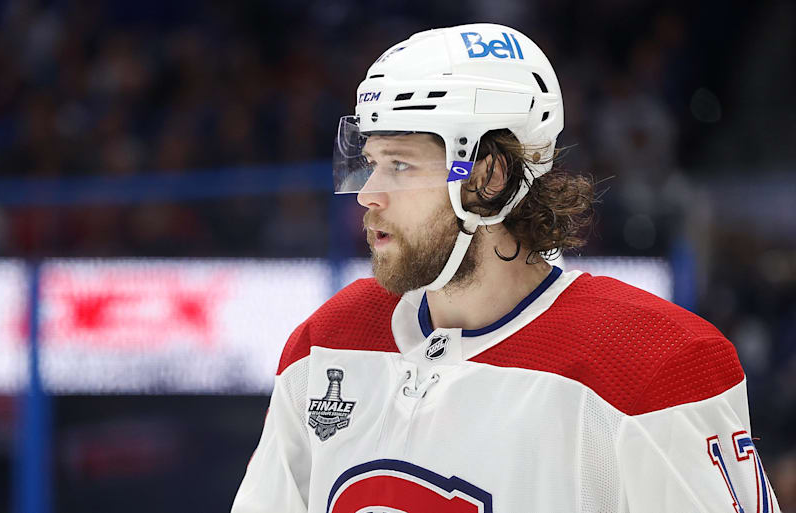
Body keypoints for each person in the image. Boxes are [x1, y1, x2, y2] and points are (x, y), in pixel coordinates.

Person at [232, 23, 780, 513]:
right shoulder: (326, 342)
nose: (368, 194)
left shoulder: (651, 362)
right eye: (371, 162)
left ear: (489, 178)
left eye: (400, 164)